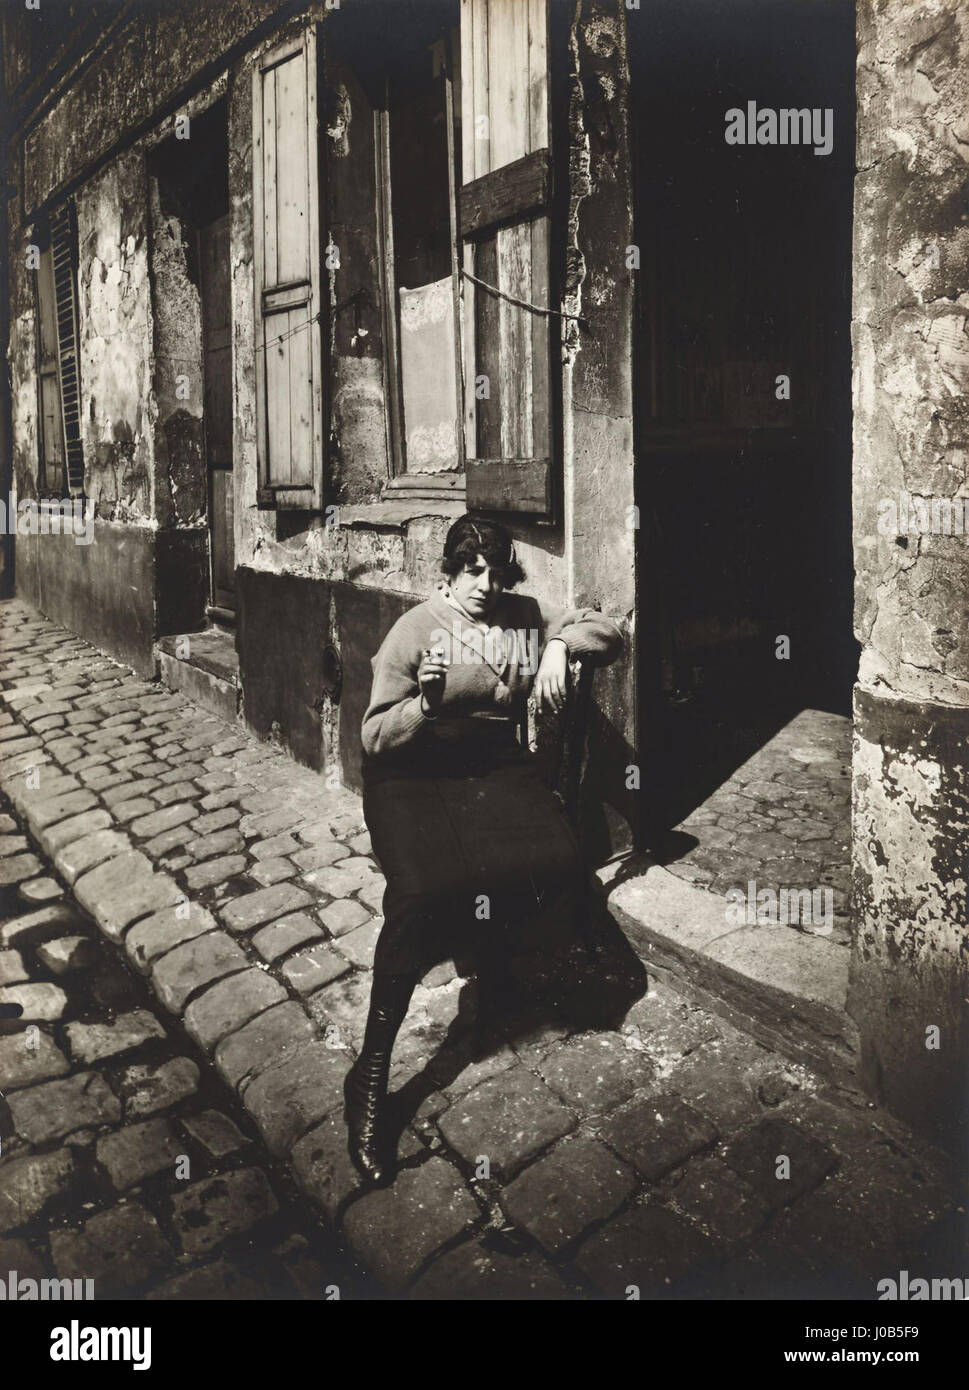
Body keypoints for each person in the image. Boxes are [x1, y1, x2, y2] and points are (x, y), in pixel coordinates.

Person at [345, 514, 624, 1185]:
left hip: (489, 765)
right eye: (471, 571)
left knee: (553, 855)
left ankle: (494, 967)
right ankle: (371, 1077)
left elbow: (610, 633)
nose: (483, 586)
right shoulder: (413, 630)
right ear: (447, 572)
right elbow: (373, 736)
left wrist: (560, 644)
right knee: (418, 893)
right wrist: (426, 707)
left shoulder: (521, 614)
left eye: (495, 573)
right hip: (411, 770)